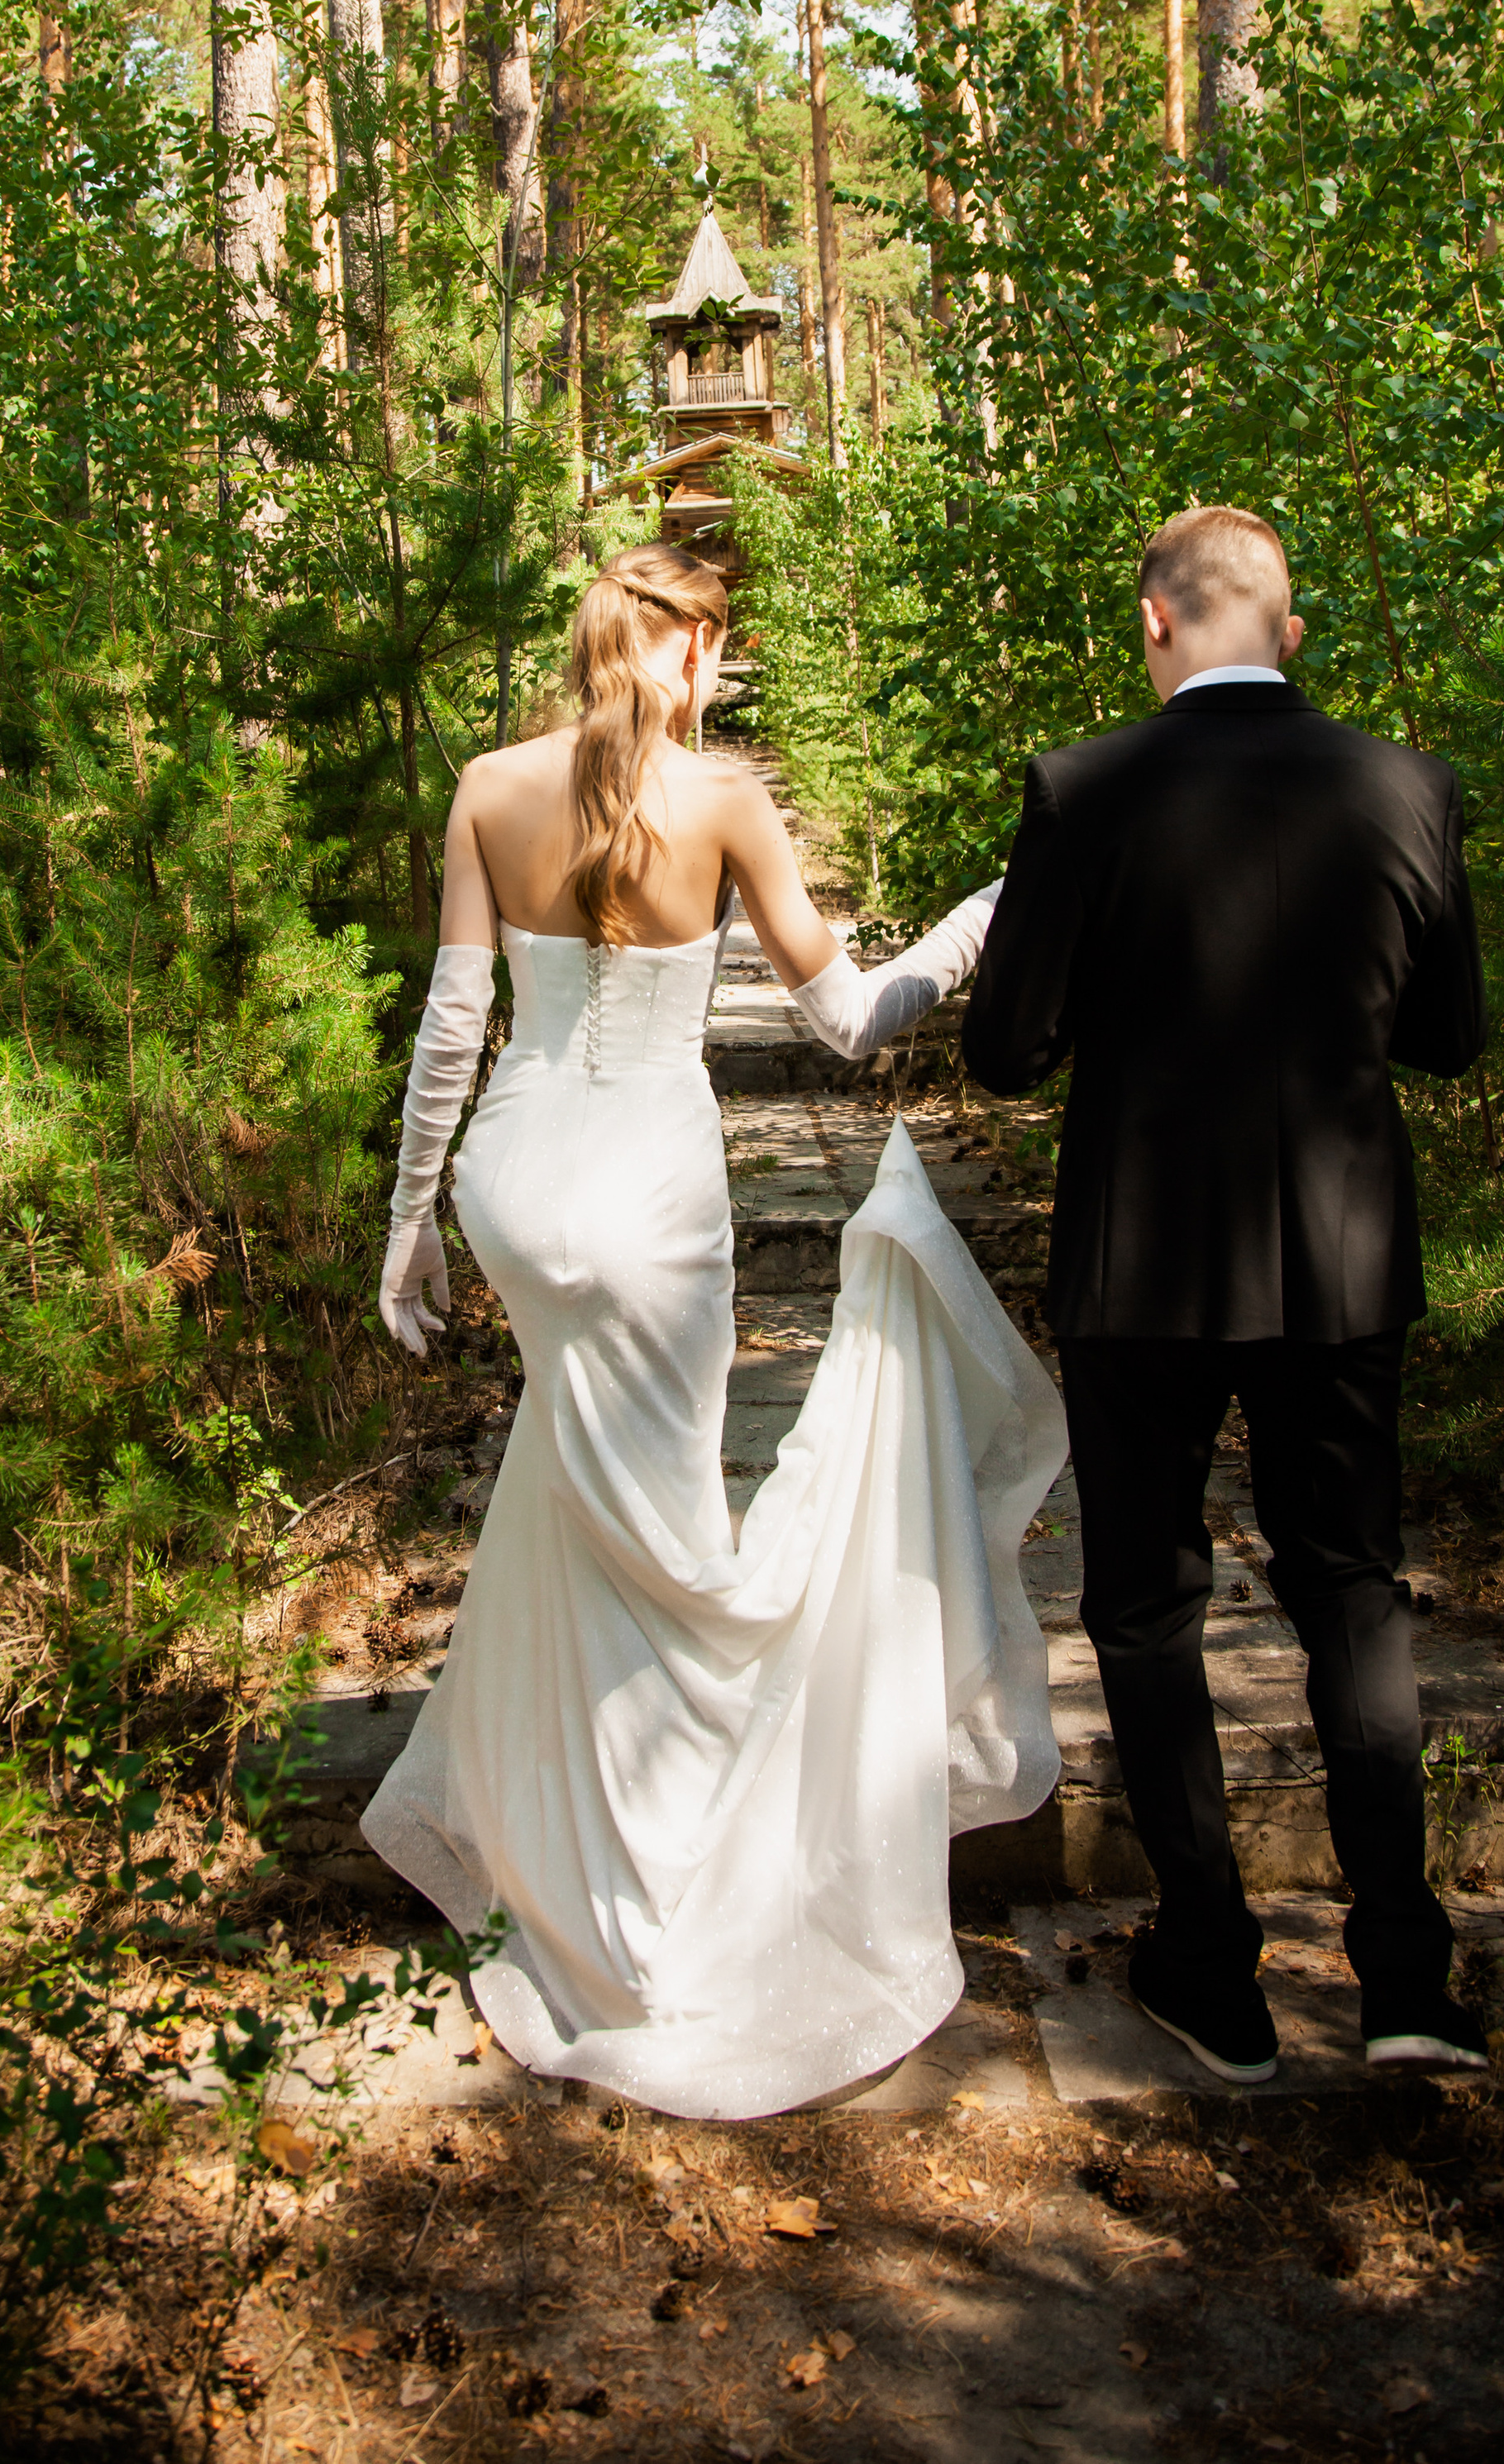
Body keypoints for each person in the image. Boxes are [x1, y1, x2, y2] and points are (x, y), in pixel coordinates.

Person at [363, 543, 1065, 2118]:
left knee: (566, 1476)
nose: (718, 675)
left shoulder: (487, 784)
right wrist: (968, 928)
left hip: (517, 1186)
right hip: (655, 1205)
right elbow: (849, 1016)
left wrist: (411, 1221)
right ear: (686, 656)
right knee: (673, 1530)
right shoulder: (730, 801)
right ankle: (664, 1868)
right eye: (716, 651)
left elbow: (454, 1028)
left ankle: (556, 1825)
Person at [962, 504, 1489, 2085]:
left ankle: (1215, 1969)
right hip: (1339, 1256)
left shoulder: (1085, 790)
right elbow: (1451, 1038)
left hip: (1142, 1267)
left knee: (1146, 1603)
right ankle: (1403, 1974)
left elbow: (1006, 1049)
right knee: (1354, 1589)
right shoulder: (1408, 787)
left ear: (1153, 623)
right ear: (1293, 629)